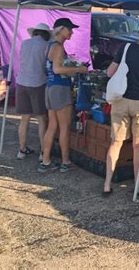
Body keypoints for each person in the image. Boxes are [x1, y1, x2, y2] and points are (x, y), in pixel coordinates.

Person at [103, 24, 139, 194]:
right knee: (138, 145)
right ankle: (137, 184)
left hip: (121, 100)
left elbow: (109, 72)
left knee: (116, 142)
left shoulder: (126, 48)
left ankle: (107, 183)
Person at [38, 18, 87, 173]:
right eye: (70, 29)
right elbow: (58, 69)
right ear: (62, 29)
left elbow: (50, 68)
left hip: (51, 87)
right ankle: (65, 162)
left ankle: (45, 161)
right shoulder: (58, 47)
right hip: (60, 88)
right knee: (64, 127)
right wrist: (78, 70)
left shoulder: (49, 46)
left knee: (52, 126)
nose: (72, 32)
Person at [15, 23, 52, 160]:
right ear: (46, 35)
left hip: (21, 82)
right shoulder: (46, 46)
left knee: (24, 118)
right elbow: (46, 66)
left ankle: (22, 150)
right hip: (38, 83)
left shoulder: (25, 43)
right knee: (41, 118)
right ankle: (43, 153)